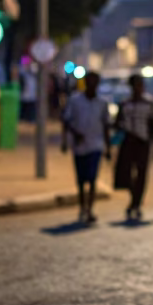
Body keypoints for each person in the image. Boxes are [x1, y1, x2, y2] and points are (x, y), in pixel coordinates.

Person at [61, 70, 111, 224]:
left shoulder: (102, 103)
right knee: (81, 180)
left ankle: (90, 209)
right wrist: (69, 138)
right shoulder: (75, 101)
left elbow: (106, 126)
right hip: (79, 146)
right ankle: (82, 207)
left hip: (96, 145)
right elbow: (66, 121)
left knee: (92, 178)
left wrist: (109, 148)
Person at [113, 73, 153, 223]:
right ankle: (134, 199)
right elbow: (117, 123)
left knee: (141, 174)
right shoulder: (124, 104)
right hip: (127, 142)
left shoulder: (148, 104)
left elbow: (152, 125)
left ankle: (136, 203)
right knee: (126, 173)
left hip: (143, 142)